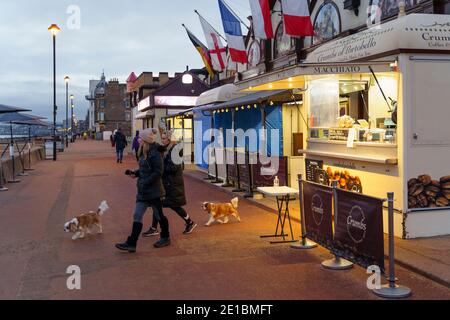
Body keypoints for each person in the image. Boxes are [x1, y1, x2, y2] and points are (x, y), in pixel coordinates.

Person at [115, 128, 170, 252]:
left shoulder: (155, 153)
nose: (138, 140)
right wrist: (136, 173)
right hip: (144, 191)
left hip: (154, 190)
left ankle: (165, 237)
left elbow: (158, 172)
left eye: (140, 138)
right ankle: (131, 243)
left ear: (145, 141)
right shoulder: (143, 152)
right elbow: (146, 170)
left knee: (159, 215)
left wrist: (145, 181)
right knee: (137, 214)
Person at [142, 130, 197, 236]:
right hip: (167, 183)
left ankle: (190, 222)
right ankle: (154, 228)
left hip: (172, 184)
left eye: (164, 139)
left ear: (170, 139)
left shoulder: (175, 150)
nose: (162, 141)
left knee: (174, 205)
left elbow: (173, 168)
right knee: (157, 204)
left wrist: (159, 167)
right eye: (161, 138)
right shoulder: (167, 149)